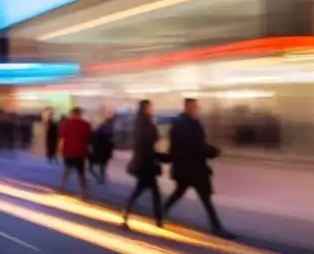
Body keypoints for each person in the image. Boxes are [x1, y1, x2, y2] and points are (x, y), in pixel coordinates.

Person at [164, 98, 234, 239]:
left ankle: (161, 211)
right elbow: (196, 145)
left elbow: (191, 145)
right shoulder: (188, 124)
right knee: (205, 198)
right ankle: (216, 227)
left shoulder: (180, 123)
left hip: (185, 167)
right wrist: (213, 151)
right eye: (195, 106)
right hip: (193, 168)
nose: (197, 109)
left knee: (180, 192)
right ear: (189, 107)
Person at [122, 100, 166, 229]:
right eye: (151, 108)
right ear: (146, 109)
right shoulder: (148, 124)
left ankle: (127, 213)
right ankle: (158, 220)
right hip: (147, 163)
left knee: (141, 190)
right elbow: (155, 140)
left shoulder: (137, 123)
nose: (152, 110)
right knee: (153, 193)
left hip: (140, 162)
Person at [58, 107, 92, 197]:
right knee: (81, 172)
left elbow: (62, 138)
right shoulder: (86, 124)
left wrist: (60, 150)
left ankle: (62, 186)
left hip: (69, 151)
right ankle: (84, 190)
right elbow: (88, 138)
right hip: (80, 152)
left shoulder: (65, 124)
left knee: (67, 169)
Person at [89, 111, 115, 184]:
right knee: (102, 166)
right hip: (105, 151)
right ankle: (101, 178)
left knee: (92, 167)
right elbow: (111, 142)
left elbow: (94, 136)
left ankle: (99, 178)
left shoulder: (101, 128)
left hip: (99, 150)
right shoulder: (110, 130)